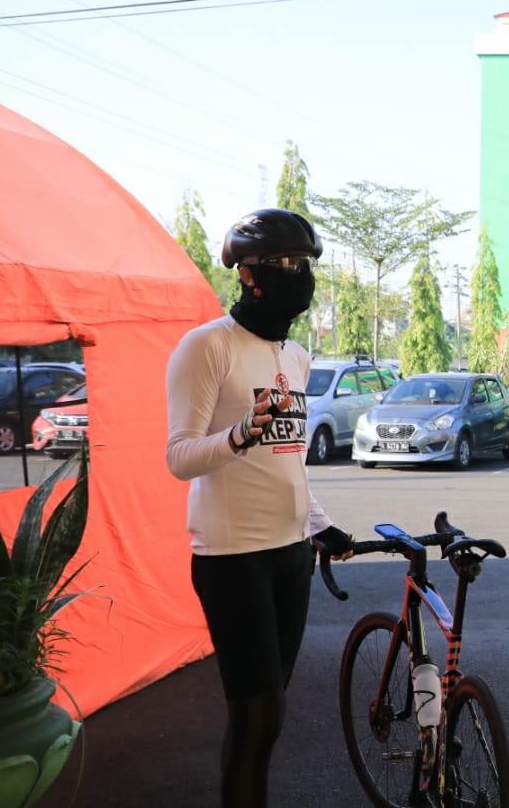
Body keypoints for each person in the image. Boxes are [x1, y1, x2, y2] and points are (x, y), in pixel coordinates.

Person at [165, 208, 355, 807]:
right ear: (248, 274)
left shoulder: (294, 357)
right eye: (284, 265)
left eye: (305, 264)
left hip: (288, 555)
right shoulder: (207, 347)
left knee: (268, 720)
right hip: (231, 557)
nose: (299, 275)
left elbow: (288, 460)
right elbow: (179, 456)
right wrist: (240, 433)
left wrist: (321, 527)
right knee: (256, 715)